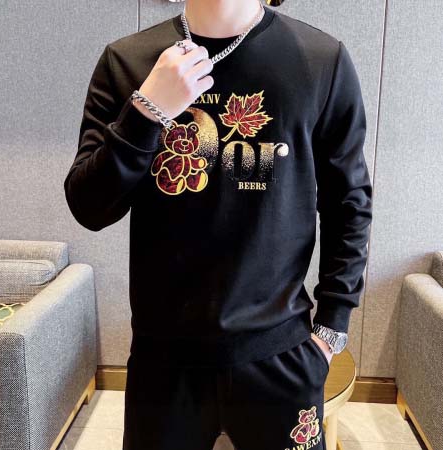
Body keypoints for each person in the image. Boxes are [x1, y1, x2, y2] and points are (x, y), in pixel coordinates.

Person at [64, 0, 373, 449]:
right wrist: (147, 110)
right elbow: (89, 208)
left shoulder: (321, 60)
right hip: (162, 363)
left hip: (281, 354)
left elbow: (349, 202)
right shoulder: (128, 61)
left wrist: (332, 327)